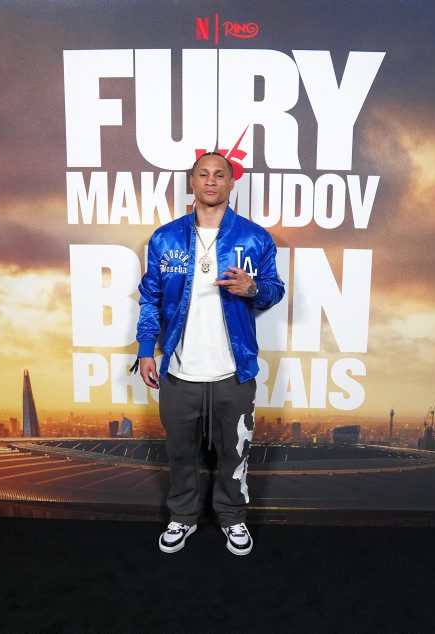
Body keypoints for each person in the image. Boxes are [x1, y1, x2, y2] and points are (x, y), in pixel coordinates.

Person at [134, 152, 285, 556]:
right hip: (179, 372)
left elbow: (274, 290)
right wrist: (146, 350)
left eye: (220, 174)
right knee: (181, 455)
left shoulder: (255, 238)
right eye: (203, 174)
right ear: (192, 182)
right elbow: (149, 298)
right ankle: (182, 518)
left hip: (234, 372)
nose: (211, 181)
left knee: (234, 455)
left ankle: (232, 518)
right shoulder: (165, 238)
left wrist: (253, 289)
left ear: (232, 183)